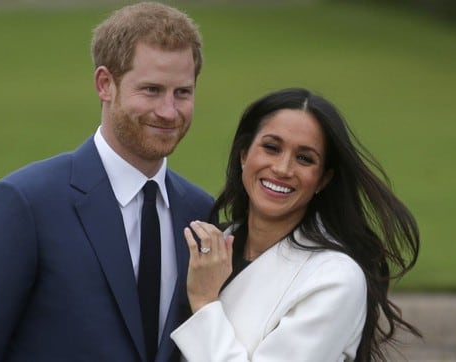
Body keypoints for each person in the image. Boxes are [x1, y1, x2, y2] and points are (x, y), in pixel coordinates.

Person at [0, 2, 211, 361]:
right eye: (152, 90)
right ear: (105, 84)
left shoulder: (200, 213)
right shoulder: (25, 205)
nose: (169, 111)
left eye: (182, 93)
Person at [170, 88, 421, 361]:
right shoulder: (213, 248)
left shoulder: (335, 278)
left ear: (323, 179)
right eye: (271, 148)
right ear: (244, 155)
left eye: (304, 158)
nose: (283, 168)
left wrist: (206, 303)